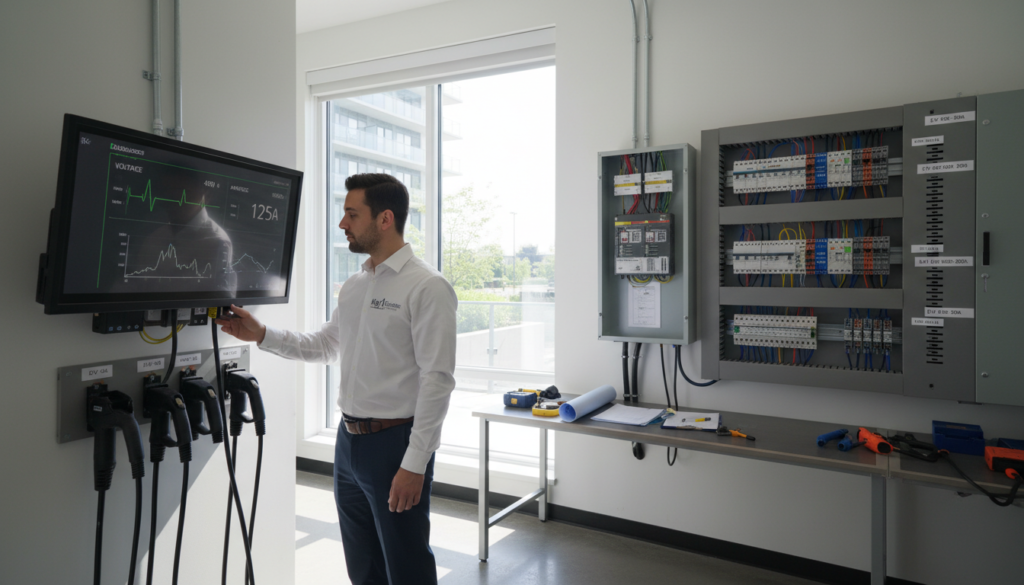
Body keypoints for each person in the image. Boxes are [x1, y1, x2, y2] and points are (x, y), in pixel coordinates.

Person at [215, 173, 457, 585]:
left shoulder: (427, 286)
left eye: (351, 213)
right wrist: (262, 335)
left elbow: (437, 380)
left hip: (395, 445)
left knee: (407, 565)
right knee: (362, 566)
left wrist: (415, 463)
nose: (343, 224)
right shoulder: (355, 286)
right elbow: (326, 346)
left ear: (384, 219)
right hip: (348, 444)